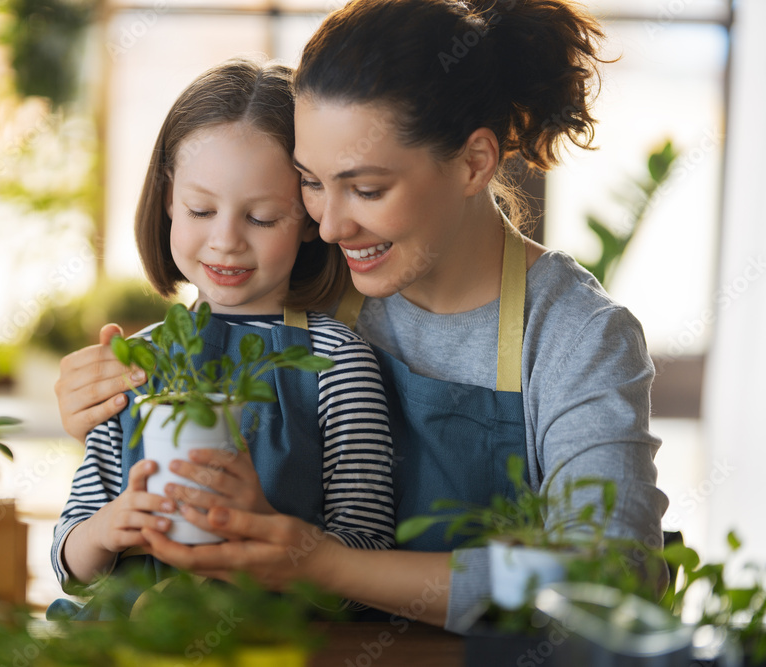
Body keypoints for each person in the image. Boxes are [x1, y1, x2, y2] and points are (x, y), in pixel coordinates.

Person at [54, 0, 668, 630]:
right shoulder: (305, 284)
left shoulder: (576, 335)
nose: (328, 224)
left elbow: (611, 577)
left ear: (474, 162)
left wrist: (321, 564)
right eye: (310, 184)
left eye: (367, 189)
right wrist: (106, 404)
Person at [50, 57, 397, 606]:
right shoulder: (132, 360)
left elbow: (368, 556)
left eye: (261, 218)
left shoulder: (338, 361)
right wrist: (105, 529)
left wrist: (263, 531)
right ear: (168, 200)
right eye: (200, 209)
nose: (226, 241)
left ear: (309, 217)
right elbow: (71, 563)